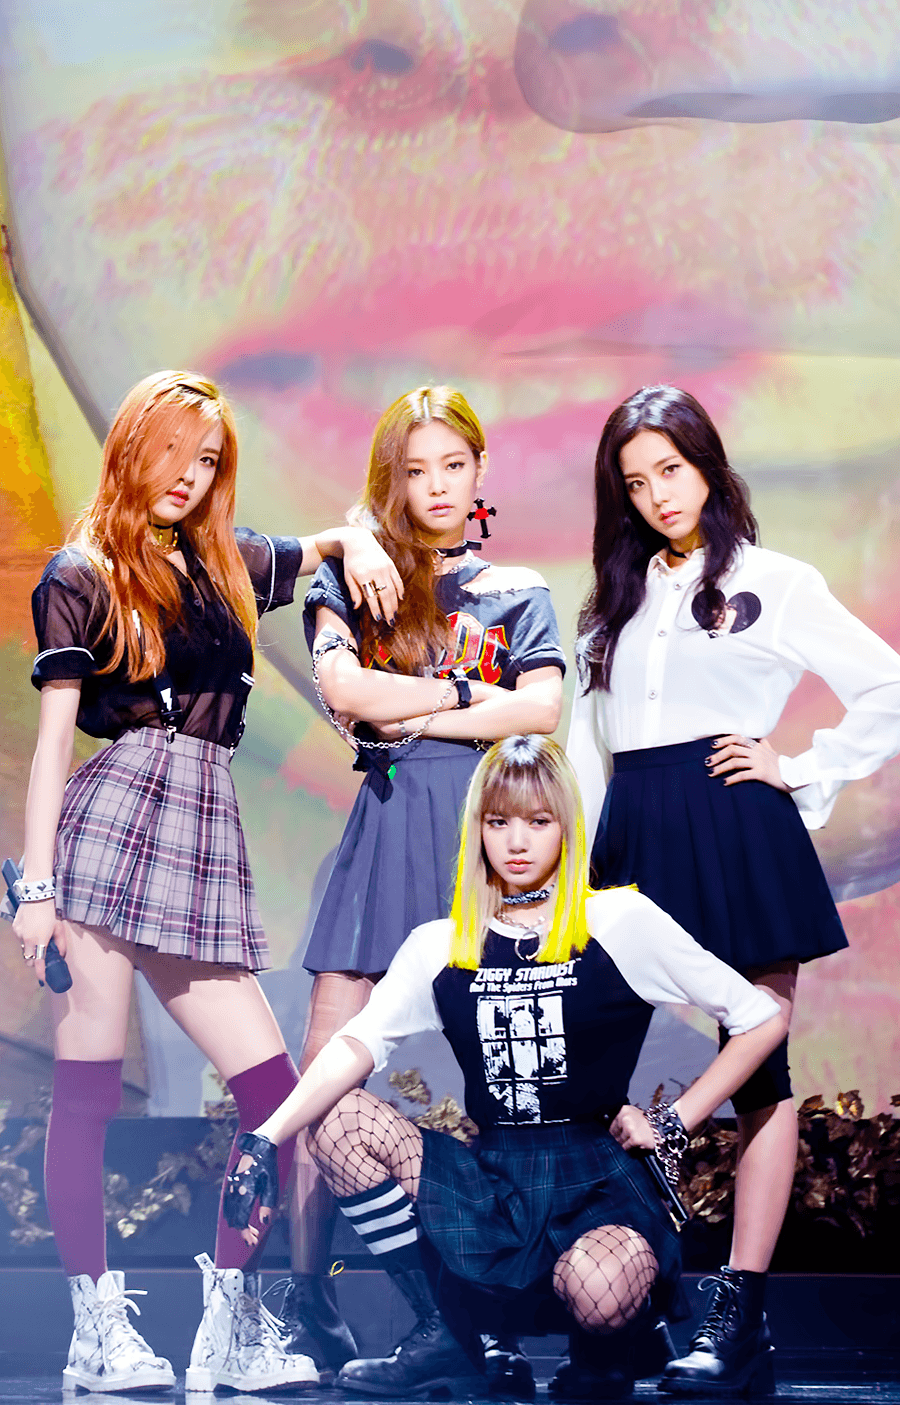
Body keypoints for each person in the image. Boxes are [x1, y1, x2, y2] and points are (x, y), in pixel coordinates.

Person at [9, 369, 404, 1395]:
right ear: (133, 447)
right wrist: (35, 890)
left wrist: (357, 542)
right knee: (89, 1088)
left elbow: (322, 543)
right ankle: (96, 1334)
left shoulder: (228, 562)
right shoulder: (83, 573)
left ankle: (230, 1328)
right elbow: (53, 744)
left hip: (198, 830)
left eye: (210, 459)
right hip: (109, 826)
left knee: (273, 1092)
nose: (189, 475)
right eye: (174, 452)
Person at [223, 736, 787, 1402]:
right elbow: (355, 1044)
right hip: (493, 1186)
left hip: (597, 1185)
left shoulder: (617, 920)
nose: (517, 842)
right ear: (478, 829)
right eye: (499, 821)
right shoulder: (442, 942)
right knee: (338, 1117)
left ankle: (609, 1349)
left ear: (566, 826)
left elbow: (759, 1017)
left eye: (538, 821)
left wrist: (675, 1120)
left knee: (601, 1286)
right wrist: (268, 1135)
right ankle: (447, 1331)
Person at [567, 383, 900, 1395]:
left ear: (707, 465)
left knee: (760, 1067)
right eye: (636, 483)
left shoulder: (777, 581)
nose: (658, 495)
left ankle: (739, 1315)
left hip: (736, 825)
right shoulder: (612, 601)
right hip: (631, 828)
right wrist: (571, 867)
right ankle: (613, 1306)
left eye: (670, 469)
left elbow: (887, 684)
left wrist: (799, 766)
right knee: (590, 1062)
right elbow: (588, 746)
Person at [284, 384, 565, 1391]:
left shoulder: (518, 588)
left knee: (508, 1088)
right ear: (390, 480)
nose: (438, 485)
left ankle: (496, 1312)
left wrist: (425, 712)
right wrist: (472, 696)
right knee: (322, 1080)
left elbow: (542, 710)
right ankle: (311, 1300)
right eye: (415, 469)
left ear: (480, 470)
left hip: (486, 841)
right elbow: (347, 692)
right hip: (387, 831)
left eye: (454, 464)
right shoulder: (354, 576)